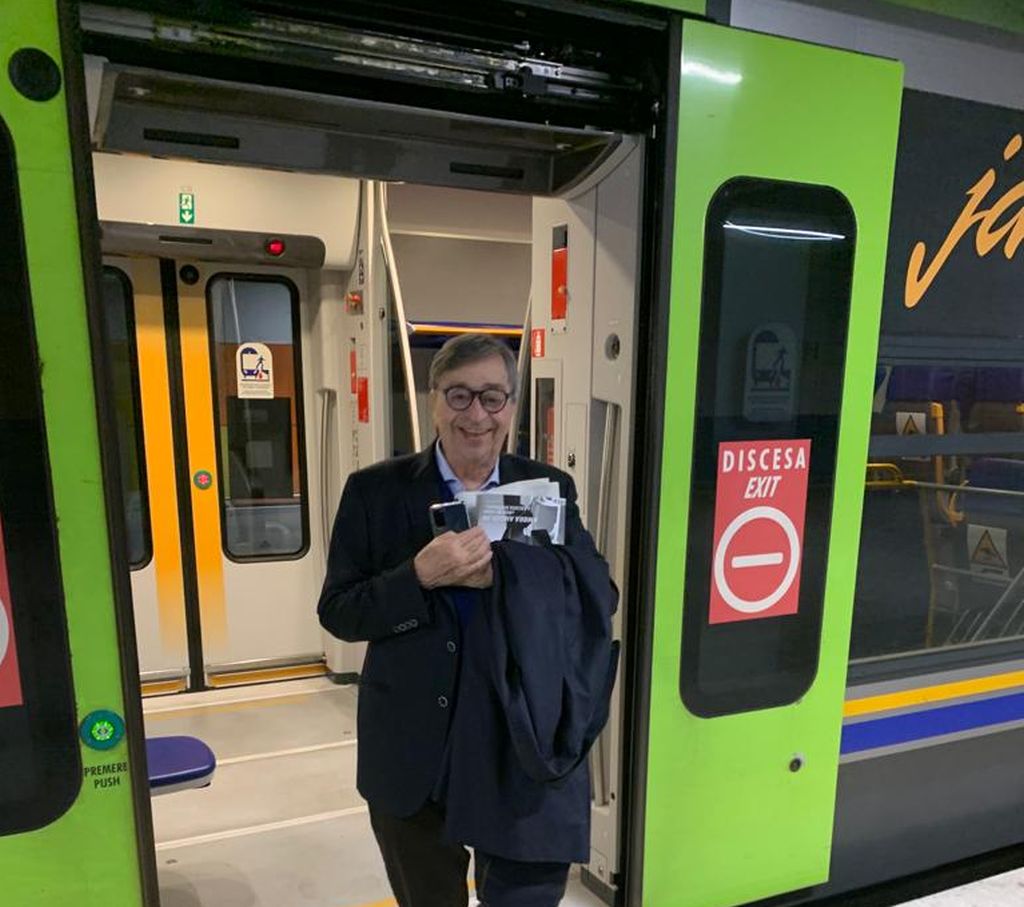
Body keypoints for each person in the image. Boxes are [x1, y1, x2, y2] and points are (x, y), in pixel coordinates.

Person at [318, 333, 616, 907]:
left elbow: (597, 594)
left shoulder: (549, 489)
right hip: (414, 750)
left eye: (492, 397)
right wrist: (418, 576)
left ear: (511, 404)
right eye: (458, 395)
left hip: (521, 741)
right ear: (434, 400)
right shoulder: (375, 492)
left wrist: (508, 577)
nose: (476, 415)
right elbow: (339, 610)